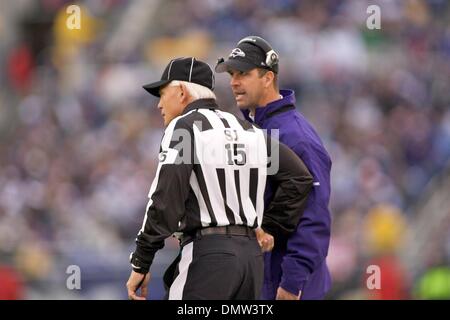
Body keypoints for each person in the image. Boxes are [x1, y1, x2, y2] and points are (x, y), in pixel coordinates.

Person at [126, 57, 314, 300]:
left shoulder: (184, 127)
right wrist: (268, 227)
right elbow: (298, 178)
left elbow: (165, 200)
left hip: (209, 256)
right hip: (250, 262)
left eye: (162, 94)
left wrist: (142, 261)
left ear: (181, 92)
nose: (159, 104)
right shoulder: (249, 131)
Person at [216, 36, 332, 300]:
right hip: (260, 279)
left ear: (268, 78)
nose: (234, 82)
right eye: (232, 74)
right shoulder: (250, 130)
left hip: (286, 285)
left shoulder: (296, 137)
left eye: (243, 73)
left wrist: (292, 283)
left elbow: (313, 218)